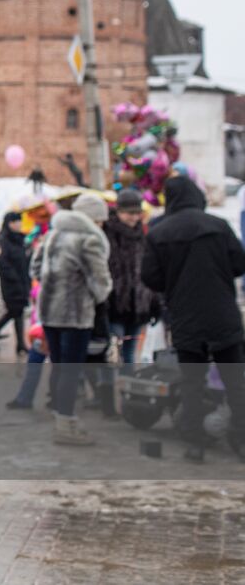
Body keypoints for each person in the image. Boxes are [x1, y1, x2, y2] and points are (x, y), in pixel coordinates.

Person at [141, 177, 245, 463]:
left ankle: (194, 444)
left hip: (186, 317)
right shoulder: (219, 226)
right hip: (222, 314)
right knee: (236, 381)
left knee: (191, 383)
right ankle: (242, 438)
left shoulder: (159, 232)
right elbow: (239, 264)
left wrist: (175, 282)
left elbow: (150, 277)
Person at [33, 193, 112, 446]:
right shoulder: (89, 239)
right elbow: (100, 281)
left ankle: (60, 417)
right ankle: (67, 425)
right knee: (71, 368)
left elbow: (34, 269)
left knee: (58, 366)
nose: (101, 225)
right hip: (75, 313)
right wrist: (96, 296)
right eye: (100, 220)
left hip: (48, 311)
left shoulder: (52, 234)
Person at [104, 187, 155, 367]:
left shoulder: (143, 234)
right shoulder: (108, 233)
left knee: (130, 354)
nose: (133, 218)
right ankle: (106, 391)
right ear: (118, 211)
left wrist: (152, 301)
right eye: (128, 213)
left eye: (136, 213)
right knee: (111, 352)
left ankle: (127, 390)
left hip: (139, 305)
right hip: (114, 304)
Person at [0, 212, 31, 354]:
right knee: (14, 312)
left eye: (19, 221)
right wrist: (13, 278)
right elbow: (0, 262)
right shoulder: (3, 241)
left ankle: (18, 343)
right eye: (15, 222)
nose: (18, 224)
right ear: (9, 223)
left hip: (23, 282)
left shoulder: (20, 239)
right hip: (11, 285)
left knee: (16, 313)